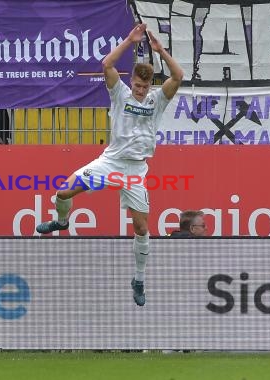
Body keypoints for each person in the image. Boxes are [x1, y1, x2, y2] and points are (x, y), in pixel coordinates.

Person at [35, 23, 184, 307]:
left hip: (135, 170)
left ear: (150, 85)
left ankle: (138, 279)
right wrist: (130, 39)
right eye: (137, 85)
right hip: (110, 162)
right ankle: (62, 221)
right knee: (63, 192)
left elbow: (178, 75)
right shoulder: (120, 94)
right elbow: (106, 64)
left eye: (144, 87)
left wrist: (160, 50)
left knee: (141, 228)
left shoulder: (156, 100)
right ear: (132, 82)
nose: (140, 91)